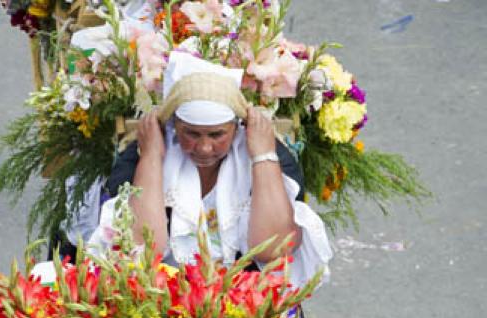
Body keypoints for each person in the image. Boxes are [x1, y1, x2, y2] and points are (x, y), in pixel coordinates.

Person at [90, 51, 332, 289]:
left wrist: (263, 156)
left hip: (245, 294)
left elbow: (273, 249)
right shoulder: (140, 156)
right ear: (175, 126)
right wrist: (152, 157)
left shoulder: (269, 155)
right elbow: (140, 249)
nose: (205, 148)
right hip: (163, 294)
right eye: (191, 133)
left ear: (236, 128)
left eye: (217, 134)